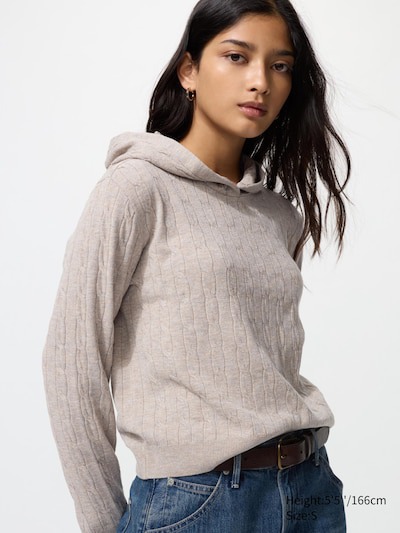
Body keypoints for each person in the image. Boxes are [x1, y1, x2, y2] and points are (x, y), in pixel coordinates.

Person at [42, 0, 351, 532]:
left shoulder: (278, 215)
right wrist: (102, 523)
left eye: (280, 66)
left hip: (310, 490)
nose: (260, 82)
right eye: (237, 56)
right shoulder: (136, 189)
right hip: (198, 503)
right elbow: (71, 363)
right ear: (189, 70)